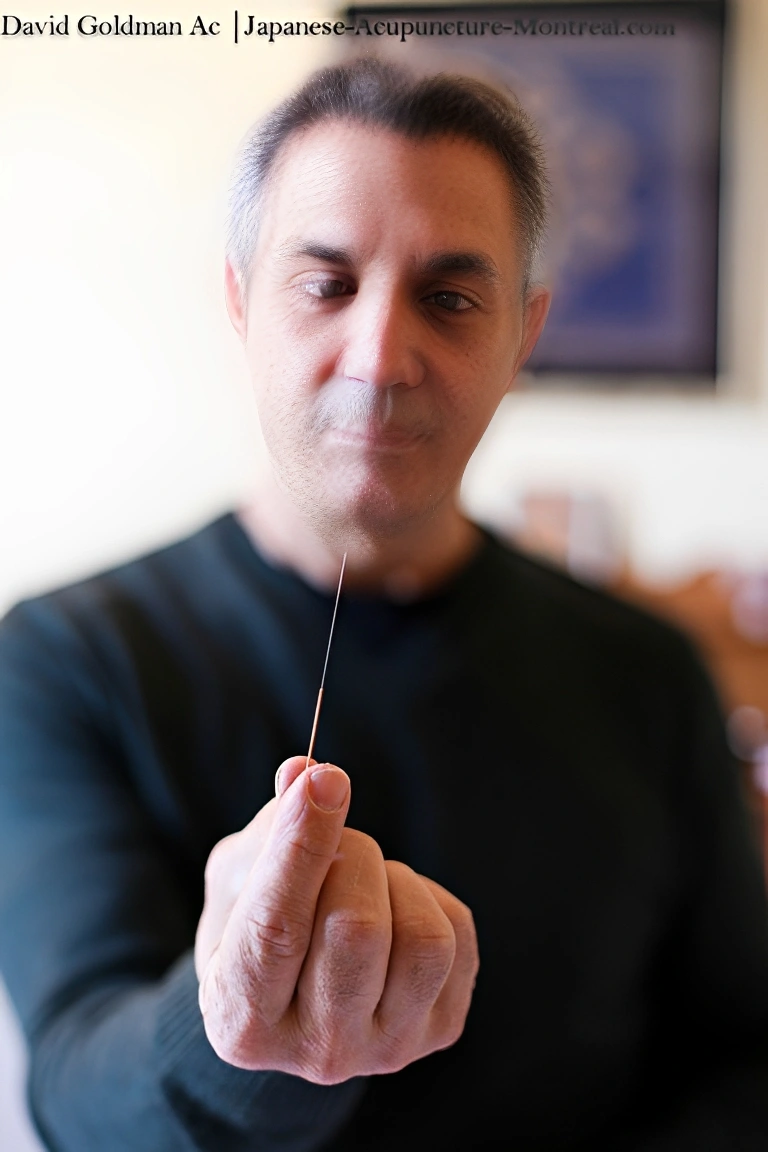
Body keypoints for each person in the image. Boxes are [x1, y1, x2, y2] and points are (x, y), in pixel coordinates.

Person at [0, 57, 767, 1152]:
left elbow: (743, 1052)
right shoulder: (65, 658)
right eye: (326, 284)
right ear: (238, 301)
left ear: (524, 337)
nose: (380, 356)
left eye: (450, 298)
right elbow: (77, 1093)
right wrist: (230, 1025)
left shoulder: (648, 674)